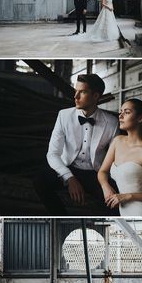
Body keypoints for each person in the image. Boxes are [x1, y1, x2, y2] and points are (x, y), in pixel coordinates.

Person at [35, 74, 119, 215]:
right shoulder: (64, 116)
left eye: (83, 92)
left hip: (96, 173)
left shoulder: (111, 122)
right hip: (68, 167)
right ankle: (61, 218)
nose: (76, 96)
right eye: (76, 91)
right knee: (40, 181)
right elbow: (53, 153)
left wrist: (107, 182)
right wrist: (69, 178)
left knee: (113, 203)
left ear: (95, 96)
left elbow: (116, 158)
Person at [98, 98, 142, 216]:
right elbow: (102, 171)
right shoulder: (117, 141)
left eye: (126, 112)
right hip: (124, 211)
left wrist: (128, 196)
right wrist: (105, 187)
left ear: (140, 118)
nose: (120, 116)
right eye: (120, 112)